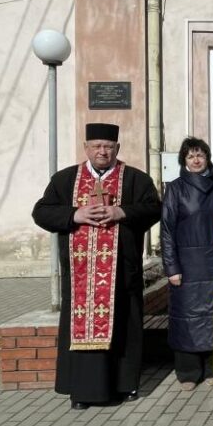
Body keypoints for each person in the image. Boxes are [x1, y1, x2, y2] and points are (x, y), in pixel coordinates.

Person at [32, 123, 161, 410]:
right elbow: (40, 212)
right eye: (97, 146)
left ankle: (125, 385)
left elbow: (154, 208)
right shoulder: (65, 180)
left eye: (108, 146)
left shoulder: (135, 179)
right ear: (86, 148)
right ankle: (82, 392)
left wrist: (121, 211)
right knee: (80, 329)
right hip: (80, 278)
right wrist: (75, 214)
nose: (102, 151)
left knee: (123, 327)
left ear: (117, 148)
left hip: (121, 274)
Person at [160, 137, 213, 391]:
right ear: (183, 161)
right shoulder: (175, 189)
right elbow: (166, 230)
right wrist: (171, 268)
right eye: (191, 156)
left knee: (212, 316)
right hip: (186, 263)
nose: (196, 160)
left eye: (200, 155)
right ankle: (188, 371)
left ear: (207, 158)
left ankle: (211, 367)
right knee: (187, 316)